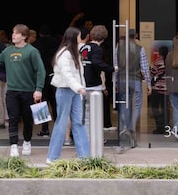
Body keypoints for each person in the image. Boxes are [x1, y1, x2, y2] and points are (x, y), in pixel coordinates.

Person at [0, 24, 45, 157]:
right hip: (11, 91)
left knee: (27, 119)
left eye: (16, 33)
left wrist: (38, 89)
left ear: (24, 36)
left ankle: (27, 142)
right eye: (13, 33)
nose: (13, 35)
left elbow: (40, 71)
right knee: (13, 118)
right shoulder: (8, 50)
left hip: (28, 91)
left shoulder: (32, 51)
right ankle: (14, 145)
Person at [46, 27, 90, 163]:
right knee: (62, 122)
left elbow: (76, 74)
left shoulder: (73, 52)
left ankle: (85, 156)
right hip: (65, 90)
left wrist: (79, 89)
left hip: (74, 91)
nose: (80, 38)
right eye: (79, 36)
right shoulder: (65, 54)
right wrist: (80, 88)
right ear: (73, 38)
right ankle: (52, 157)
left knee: (77, 122)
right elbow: (67, 74)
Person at [115, 29, 151, 146]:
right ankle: (131, 126)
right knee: (137, 105)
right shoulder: (140, 49)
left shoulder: (118, 49)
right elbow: (145, 67)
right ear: (136, 36)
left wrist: (114, 82)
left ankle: (125, 126)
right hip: (135, 80)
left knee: (124, 103)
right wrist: (149, 84)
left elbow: (115, 66)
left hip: (122, 79)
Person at [81, 24, 116, 131]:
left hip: (82, 84)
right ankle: (92, 138)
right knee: (94, 115)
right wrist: (112, 68)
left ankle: (84, 137)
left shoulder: (84, 47)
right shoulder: (98, 49)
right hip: (93, 85)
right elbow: (97, 63)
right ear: (104, 37)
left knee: (83, 115)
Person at [32, 25, 59, 137]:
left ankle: (44, 129)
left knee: (41, 103)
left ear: (40, 33)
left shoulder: (35, 45)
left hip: (40, 76)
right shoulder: (57, 43)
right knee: (55, 103)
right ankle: (58, 128)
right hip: (54, 75)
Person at [149, 45, 168, 134]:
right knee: (165, 108)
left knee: (155, 108)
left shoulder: (157, 62)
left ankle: (159, 127)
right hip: (167, 89)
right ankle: (166, 126)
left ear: (159, 53)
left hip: (157, 89)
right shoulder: (170, 62)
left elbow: (151, 74)